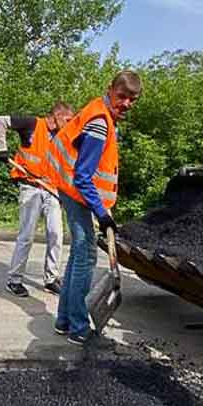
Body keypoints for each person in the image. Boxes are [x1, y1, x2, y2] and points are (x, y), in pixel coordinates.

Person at [47, 70, 142, 345]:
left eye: (132, 100)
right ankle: (78, 327)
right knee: (86, 254)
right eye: (122, 96)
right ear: (110, 89)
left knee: (80, 253)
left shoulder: (100, 110)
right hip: (76, 193)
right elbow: (83, 176)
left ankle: (64, 321)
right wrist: (102, 214)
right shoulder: (100, 123)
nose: (126, 104)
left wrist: (102, 208)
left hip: (74, 192)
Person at [0, 102, 75, 297]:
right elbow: (0, 121)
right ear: (57, 116)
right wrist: (2, 150)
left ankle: (51, 279)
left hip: (52, 189)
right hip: (30, 187)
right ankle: (14, 280)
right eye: (68, 120)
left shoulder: (62, 137)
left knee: (56, 234)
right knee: (26, 235)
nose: (71, 124)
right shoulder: (31, 124)